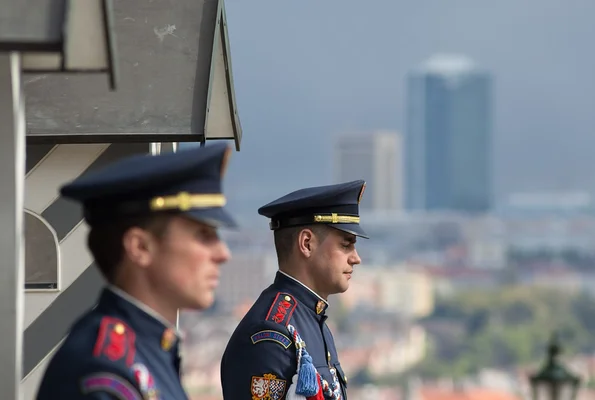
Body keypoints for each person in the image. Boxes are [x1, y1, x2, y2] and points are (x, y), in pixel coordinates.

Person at [36, 143, 236, 400]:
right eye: (204, 235)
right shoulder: (106, 370)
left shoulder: (146, 350)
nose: (222, 253)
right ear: (140, 247)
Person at [220, 180, 368, 400]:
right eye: (346, 245)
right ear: (307, 243)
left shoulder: (312, 319)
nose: (356, 258)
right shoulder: (272, 334)